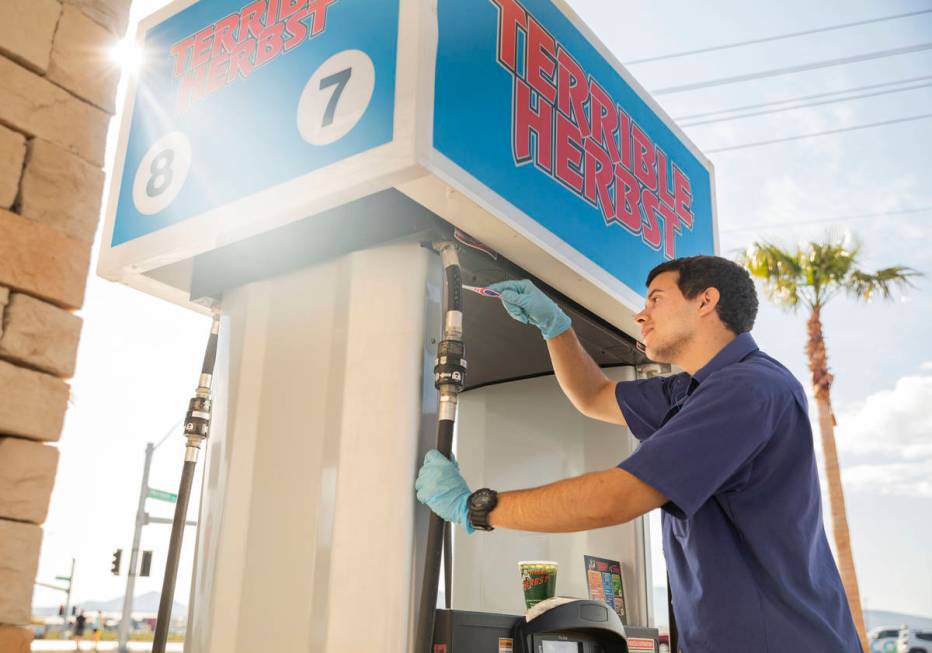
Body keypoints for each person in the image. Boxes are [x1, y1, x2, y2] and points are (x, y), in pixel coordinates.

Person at [415, 256, 862, 653]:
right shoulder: (692, 389)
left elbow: (616, 498)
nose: (640, 314)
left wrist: (475, 508)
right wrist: (556, 326)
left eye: (655, 300)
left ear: (706, 301)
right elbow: (594, 395)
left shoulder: (748, 389)